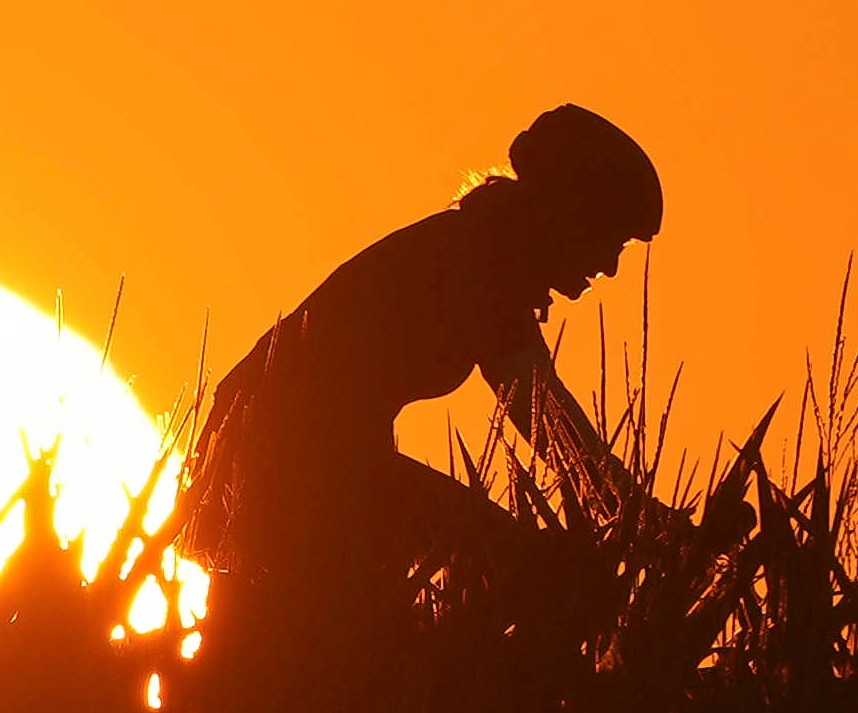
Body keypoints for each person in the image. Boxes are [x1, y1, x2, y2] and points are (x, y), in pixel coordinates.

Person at [184, 102, 675, 635]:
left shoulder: (476, 247)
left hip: (293, 467)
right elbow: (543, 413)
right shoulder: (479, 262)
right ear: (567, 214)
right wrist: (641, 516)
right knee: (535, 577)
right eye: (611, 240)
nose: (610, 267)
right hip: (282, 471)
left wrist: (636, 511)